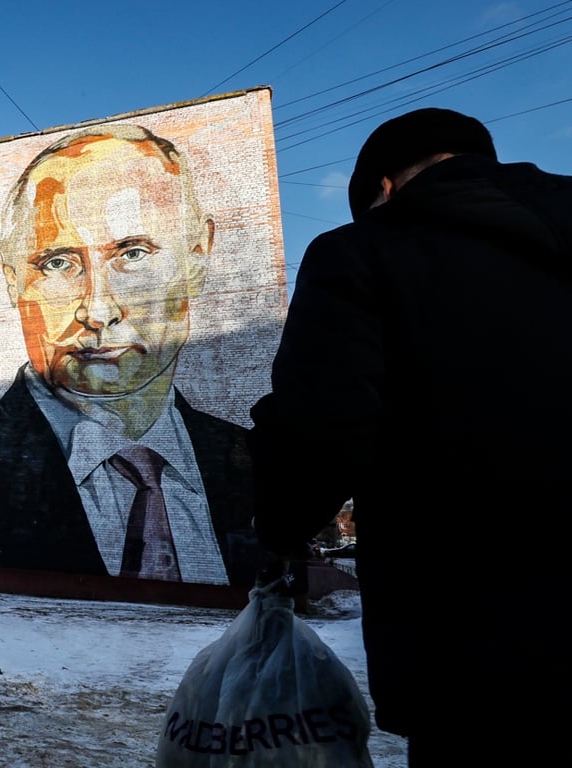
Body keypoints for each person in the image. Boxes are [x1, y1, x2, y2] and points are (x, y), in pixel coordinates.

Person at [247, 107, 572, 764]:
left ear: (384, 187)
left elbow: (323, 421)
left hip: (475, 636)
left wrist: (279, 528)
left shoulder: (361, 251)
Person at [0, 123, 264, 589]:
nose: (97, 310)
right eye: (58, 263)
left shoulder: (250, 460)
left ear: (198, 256)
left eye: (133, 253)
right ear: (11, 277)